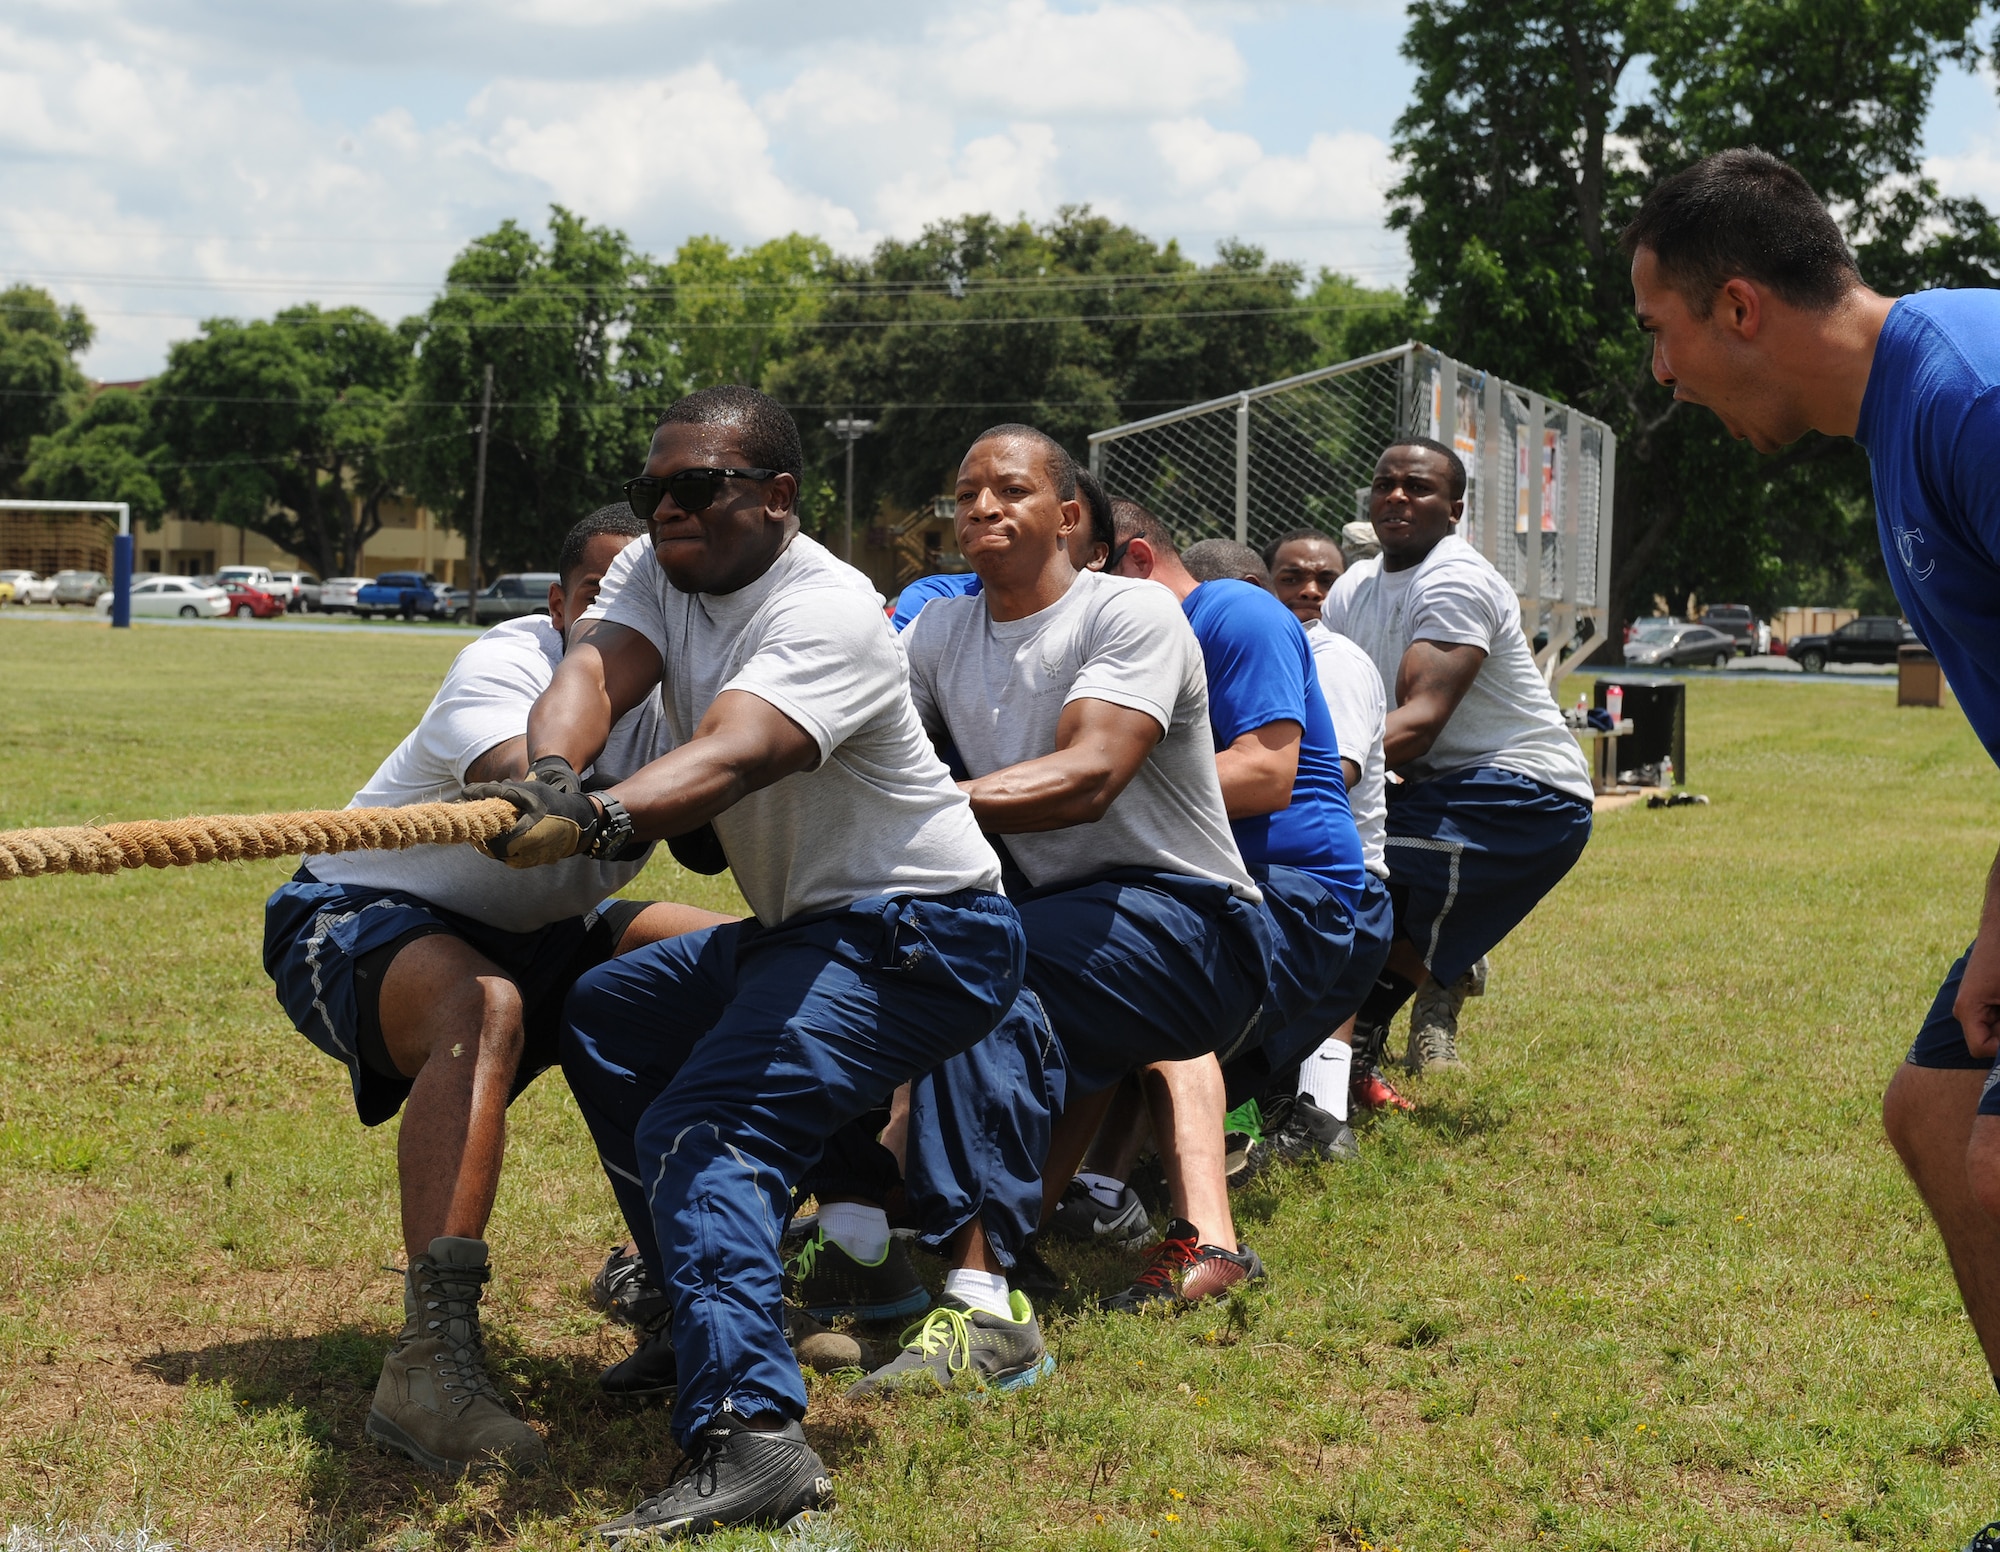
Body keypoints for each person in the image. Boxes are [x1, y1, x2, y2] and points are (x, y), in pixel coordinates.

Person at [480, 386, 1041, 1541]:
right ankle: (704, 1313)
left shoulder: (826, 610)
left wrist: (595, 818)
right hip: (814, 929)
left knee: (709, 1134)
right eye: (652, 490)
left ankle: (752, 1435)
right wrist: (549, 772)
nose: (665, 510)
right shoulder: (656, 567)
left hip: (924, 934)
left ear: (778, 497)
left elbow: (737, 750)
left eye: (696, 488)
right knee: (615, 1011)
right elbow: (595, 671)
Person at [1620, 147, 2000, 1552]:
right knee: (1940, 1115)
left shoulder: (1972, 395)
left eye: (1657, 331)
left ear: (1734, 308)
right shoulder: (1910, 407)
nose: (1658, 374)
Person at [261, 507, 724, 1477]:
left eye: (655, 601)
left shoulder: (689, 694)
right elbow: (511, 784)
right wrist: (581, 796)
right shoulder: (505, 665)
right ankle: (429, 1365)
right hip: (358, 915)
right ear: (558, 605)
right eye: (601, 597)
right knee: (486, 1007)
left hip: (536, 936)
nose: (623, 622)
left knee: (733, 962)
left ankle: (745, 1276)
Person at [857, 423, 1271, 1382]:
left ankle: (976, 1303)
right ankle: (888, 1244)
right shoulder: (940, 632)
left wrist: (927, 802)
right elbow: (870, 746)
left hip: (1195, 927)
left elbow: (1090, 774)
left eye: (1009, 491)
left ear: (1070, 515)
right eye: (965, 497)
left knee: (973, 958)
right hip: (1060, 926)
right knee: (894, 967)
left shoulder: (1128, 615)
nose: (982, 510)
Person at [1056, 502, 1387, 1236]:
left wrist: (1091, 786)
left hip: (1296, 890)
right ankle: (1087, 1194)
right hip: (1211, 880)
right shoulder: (1122, 642)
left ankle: (1189, 1233)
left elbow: (1265, 775)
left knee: (1147, 984)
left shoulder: (1234, 610)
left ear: (1135, 560)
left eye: (1082, 574)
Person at [1323, 438, 1594, 1091]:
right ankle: (1357, 1046)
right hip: (1443, 788)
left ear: (1455, 510)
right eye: (1385, 483)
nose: (1396, 496)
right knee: (1379, 900)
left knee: (1353, 873)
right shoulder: (1353, 589)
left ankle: (1341, 1050)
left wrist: (1301, 780)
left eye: (1417, 488)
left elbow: (1417, 724)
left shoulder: (1455, 578)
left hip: (1524, 794)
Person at [887, 465, 1113, 630]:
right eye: (967, 496)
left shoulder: (1116, 617)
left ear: (1066, 519)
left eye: (1014, 491)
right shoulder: (933, 604)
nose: (983, 508)